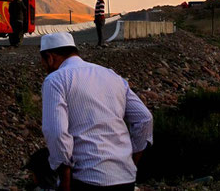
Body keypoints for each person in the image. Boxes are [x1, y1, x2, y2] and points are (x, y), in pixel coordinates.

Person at [40, 32, 153, 191]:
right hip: (125, 178)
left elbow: (56, 132)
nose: (44, 67)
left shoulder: (55, 80)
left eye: (43, 62)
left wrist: (65, 179)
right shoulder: (111, 75)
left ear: (49, 58)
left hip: (87, 178)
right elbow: (144, 119)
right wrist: (132, 160)